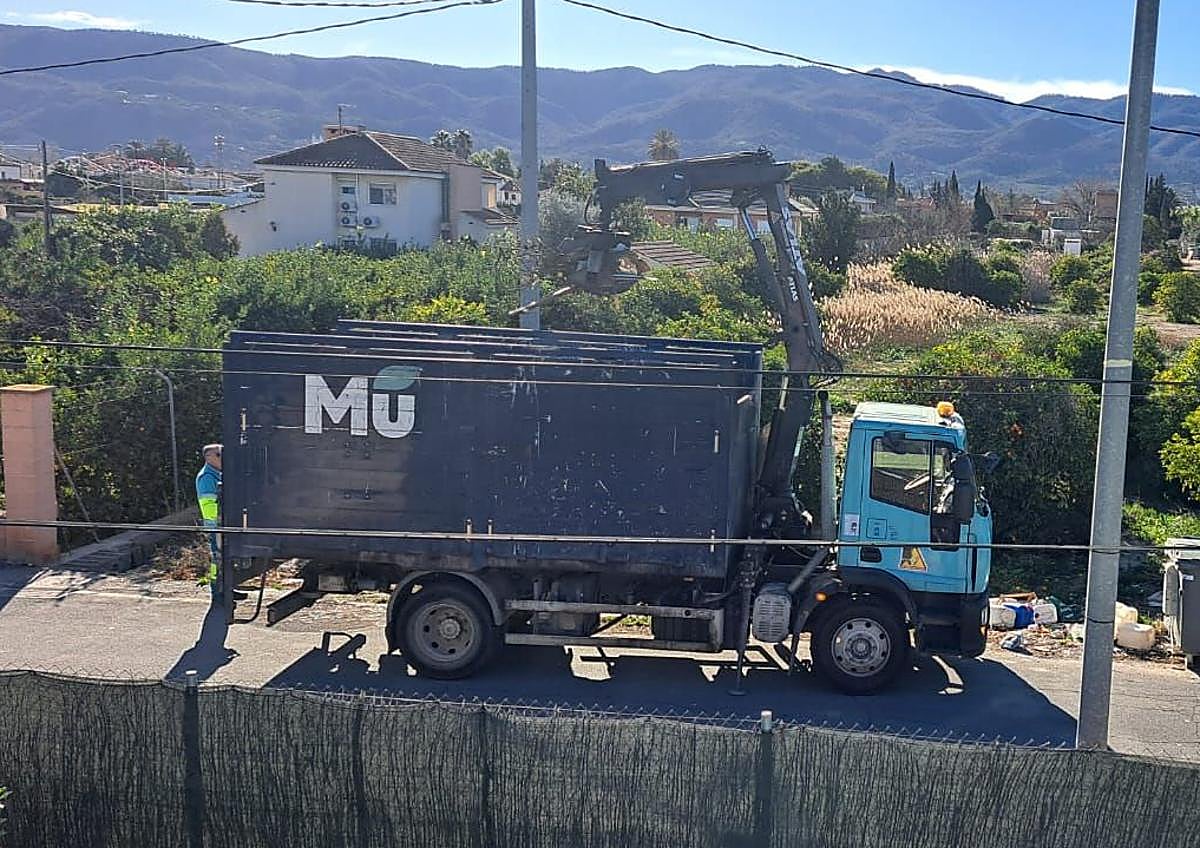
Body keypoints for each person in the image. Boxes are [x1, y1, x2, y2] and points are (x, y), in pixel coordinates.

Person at [195, 444, 244, 599]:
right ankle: (218, 591)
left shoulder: (219, 474)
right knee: (218, 558)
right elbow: (209, 505)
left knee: (226, 558)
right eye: (219, 454)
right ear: (209, 457)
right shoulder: (206, 477)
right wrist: (217, 524)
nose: (223, 458)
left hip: (224, 524)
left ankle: (227, 589)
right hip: (217, 525)